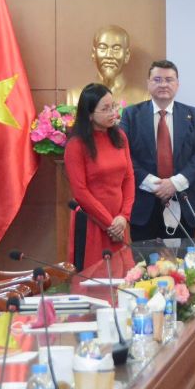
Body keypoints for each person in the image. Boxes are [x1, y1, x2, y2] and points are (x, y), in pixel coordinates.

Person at [120, 60, 195, 241]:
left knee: (185, 258)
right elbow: (124, 155)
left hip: (184, 201)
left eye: (169, 80)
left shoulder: (194, 115)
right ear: (148, 83)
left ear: (177, 84)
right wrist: (156, 185)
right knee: (144, 258)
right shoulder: (131, 115)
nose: (163, 84)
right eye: (157, 79)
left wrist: (174, 184)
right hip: (143, 204)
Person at [64, 83, 135, 275]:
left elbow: (129, 178)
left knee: (123, 278)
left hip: (119, 222)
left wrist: (124, 216)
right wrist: (109, 224)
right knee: (94, 278)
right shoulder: (76, 145)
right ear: (89, 114)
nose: (113, 113)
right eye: (105, 109)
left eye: (113, 106)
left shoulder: (120, 137)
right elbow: (80, 191)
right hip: (93, 222)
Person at [66, 25, 149, 107]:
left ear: (126, 55)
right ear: (93, 53)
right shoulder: (76, 96)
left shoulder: (143, 99)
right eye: (103, 48)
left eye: (116, 49)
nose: (109, 55)